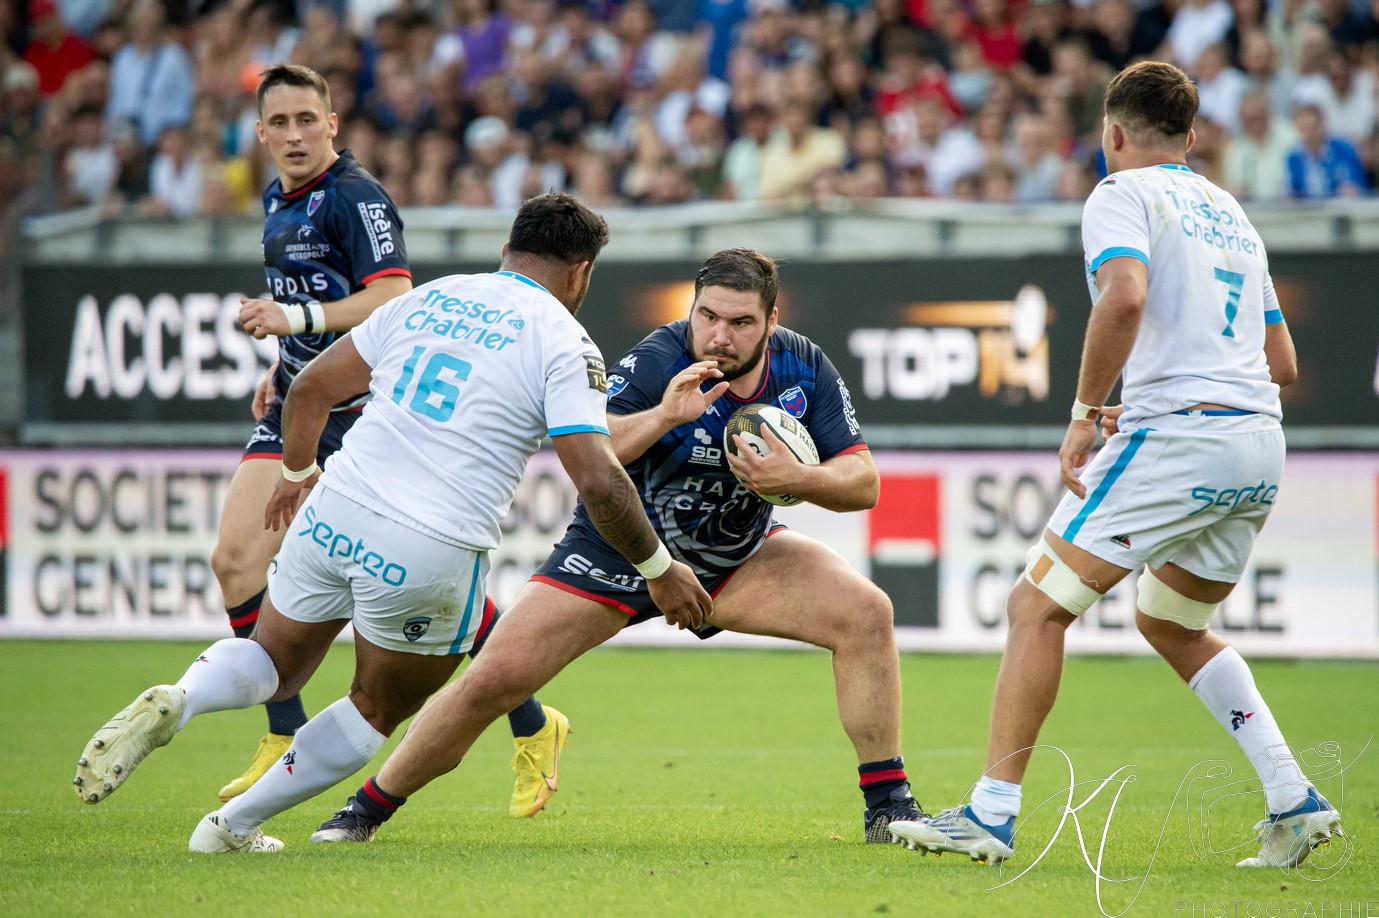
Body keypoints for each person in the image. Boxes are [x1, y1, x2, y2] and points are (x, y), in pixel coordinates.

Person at [73, 192, 711, 853]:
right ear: (580, 273)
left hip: (336, 506)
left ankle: (185, 695)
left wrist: (296, 477)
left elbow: (311, 387)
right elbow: (598, 476)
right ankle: (228, 827)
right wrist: (658, 570)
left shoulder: (429, 298)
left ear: (505, 252)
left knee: (270, 658)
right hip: (429, 544)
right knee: (374, 707)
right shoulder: (563, 340)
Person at [308, 247, 928, 847]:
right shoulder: (659, 358)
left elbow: (863, 481)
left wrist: (801, 479)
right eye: (707, 316)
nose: (719, 335)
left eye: (741, 323)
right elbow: (593, 447)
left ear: (771, 320)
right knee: (492, 680)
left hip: (738, 556)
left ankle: (889, 807)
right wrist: (663, 416)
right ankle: (363, 811)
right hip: (618, 555)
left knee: (866, 614)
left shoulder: (804, 366)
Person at [887, 61, 1345, 869]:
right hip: (1257, 442)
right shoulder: (1232, 213)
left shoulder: (1119, 193)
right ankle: (1291, 797)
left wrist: (1083, 414)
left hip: (1182, 435)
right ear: (1192, 137)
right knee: (1170, 623)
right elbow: (1284, 361)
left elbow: (1123, 296)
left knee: (1035, 607)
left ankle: (991, 814)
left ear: (1112, 134)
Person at [205, 62, 566, 819]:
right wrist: (285, 366)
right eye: (281, 123)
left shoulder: (356, 196)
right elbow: (311, 297)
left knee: (418, 590)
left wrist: (293, 325)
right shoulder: (278, 199)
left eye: (309, 119)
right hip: (303, 400)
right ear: (261, 133)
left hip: (370, 412)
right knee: (235, 557)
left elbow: (389, 296)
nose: (296, 134)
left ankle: (533, 723)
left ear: (332, 124)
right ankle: (283, 729)